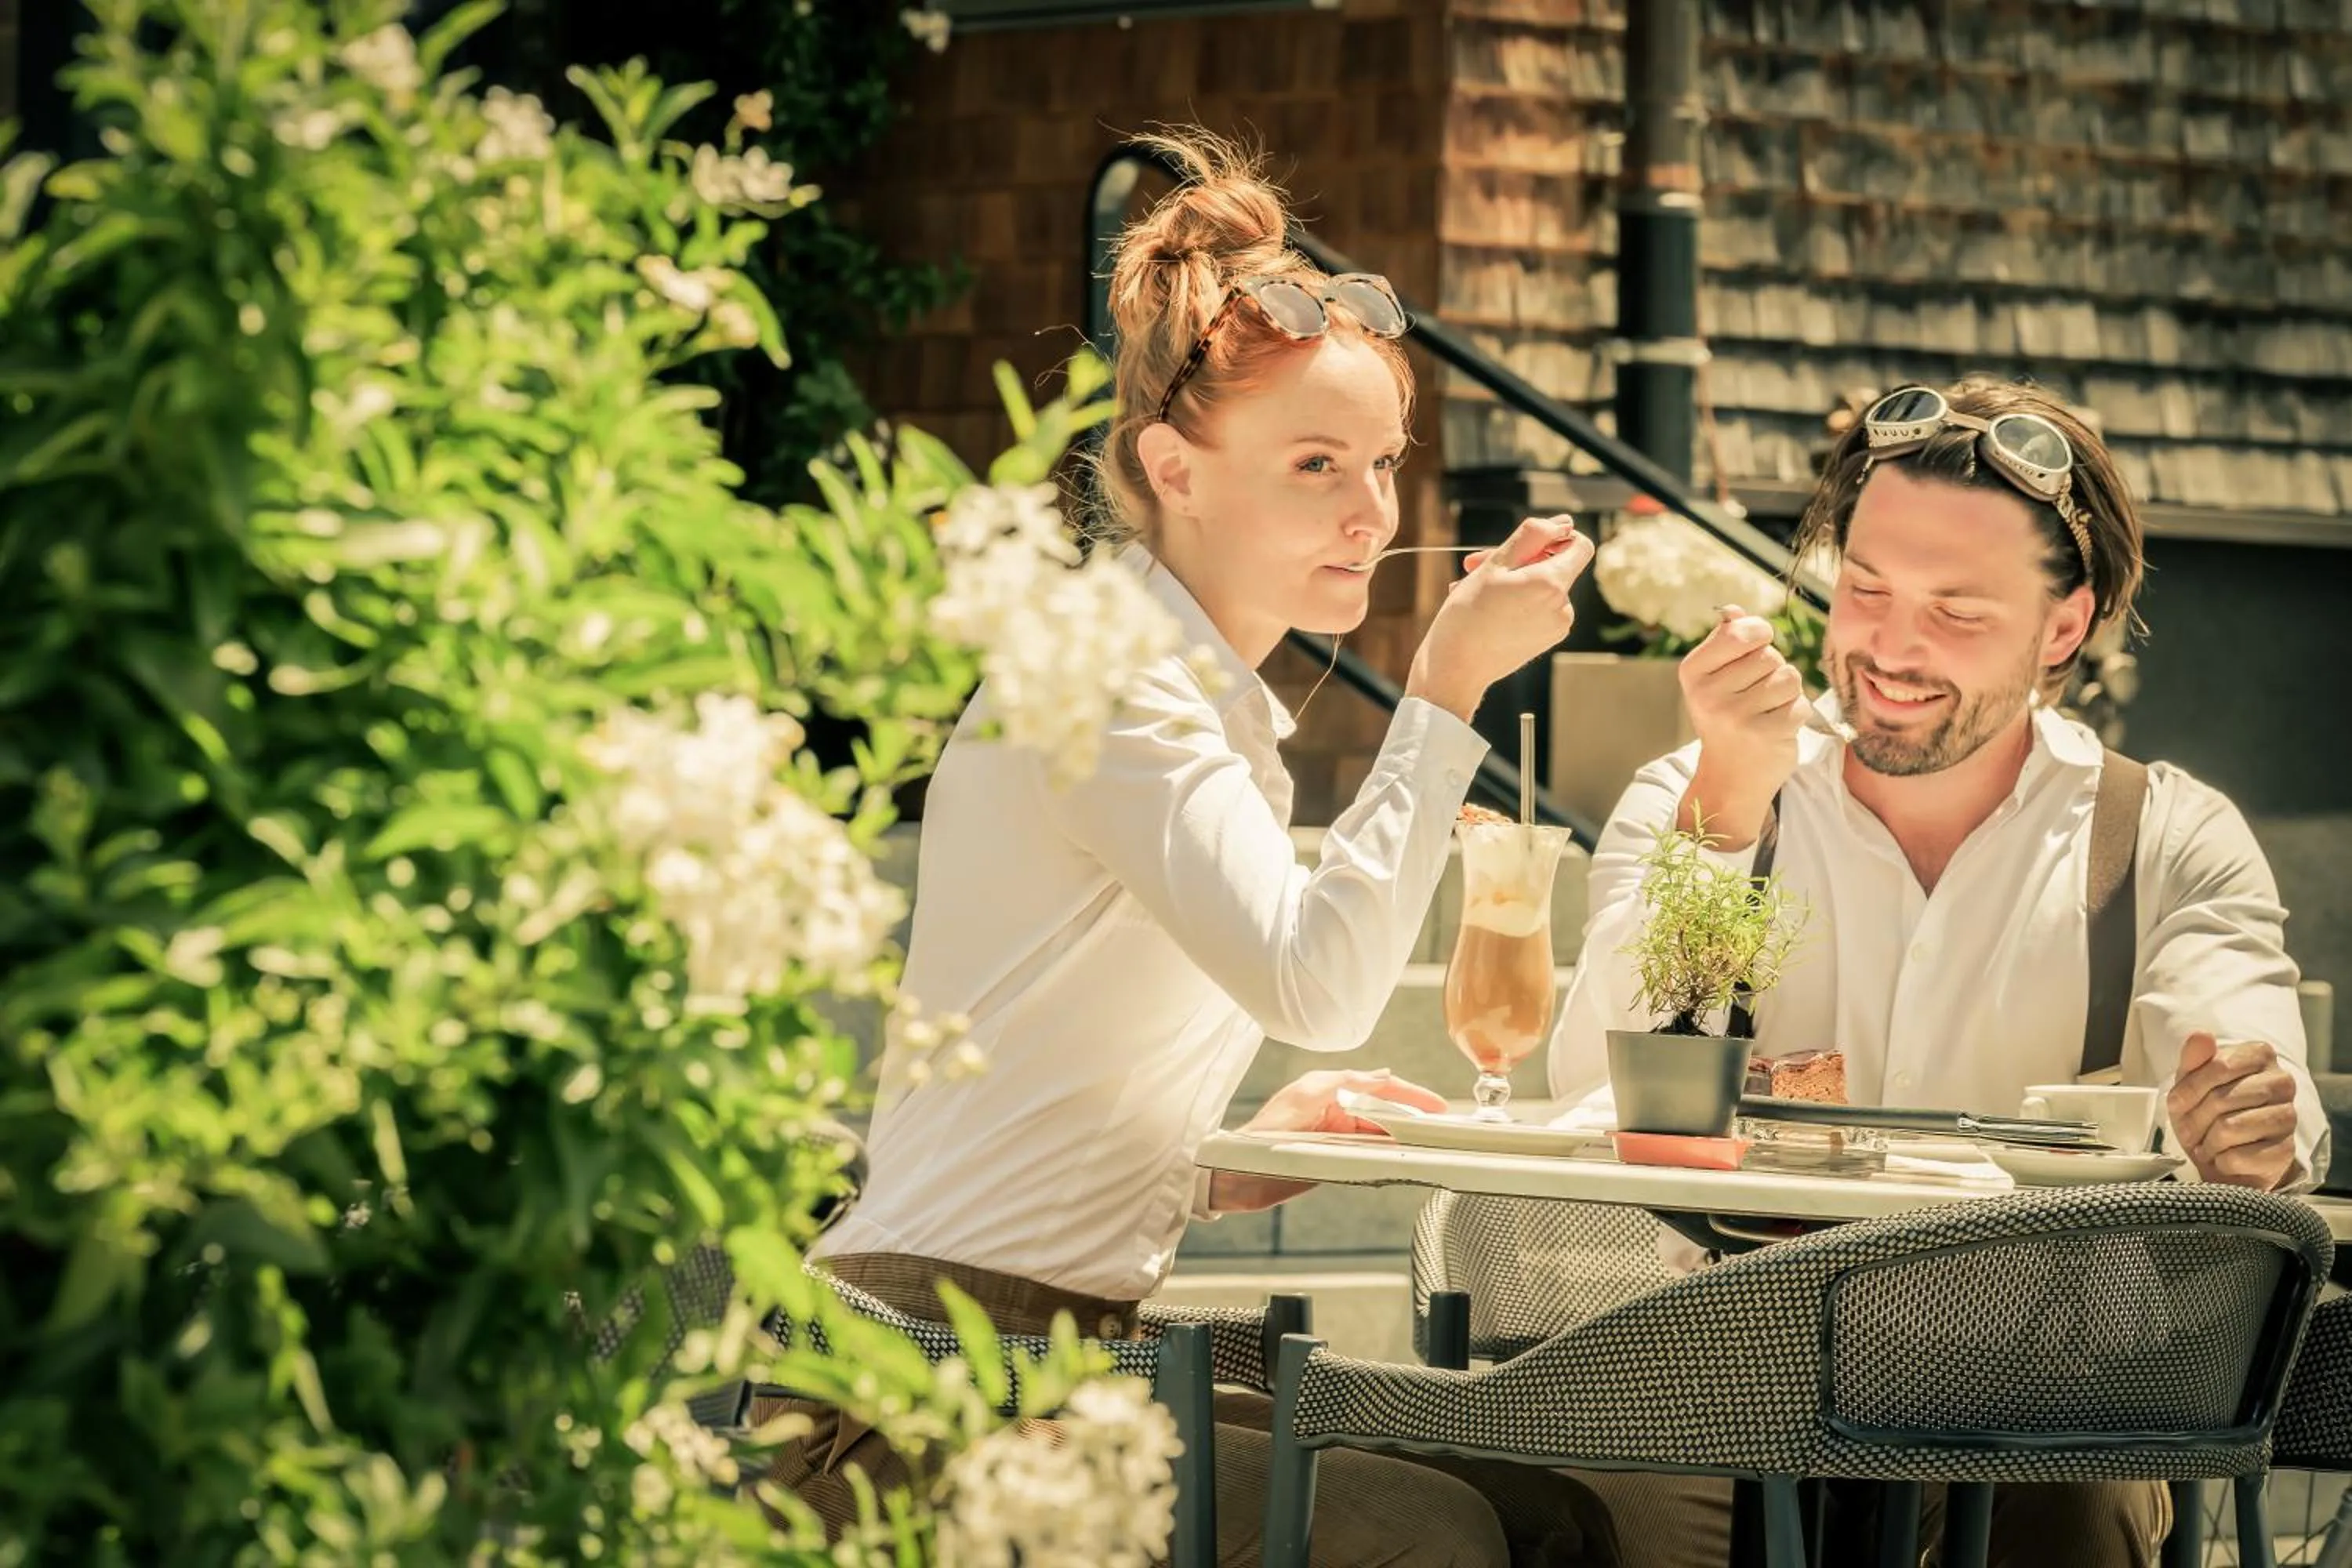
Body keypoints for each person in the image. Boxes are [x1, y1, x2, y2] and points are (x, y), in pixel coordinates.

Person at [763, 130, 1621, 1567]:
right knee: (1442, 1539)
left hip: (1060, 1364)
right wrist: (1447, 690)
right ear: (1175, 465)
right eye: (1314, 463)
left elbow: (1051, 1080)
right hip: (922, 1396)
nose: (1370, 511)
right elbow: (1319, 985)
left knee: (1549, 1513)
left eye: (1383, 463)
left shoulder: (1197, 697)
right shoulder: (1105, 675)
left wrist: (1224, 1161)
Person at [1545, 378, 2332, 1568]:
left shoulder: (2161, 838)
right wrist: (1724, 805)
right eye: (1867, 591)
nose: (1892, 649)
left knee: (2084, 1512)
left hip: (2041, 1403)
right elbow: (1594, 1074)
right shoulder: (1708, 794)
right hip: (1732, 1374)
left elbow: (2251, 1073)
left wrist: (2253, 1130)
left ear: (2062, 630)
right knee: (1613, 1512)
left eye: (1957, 612)